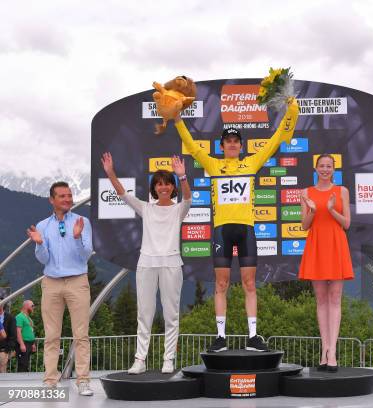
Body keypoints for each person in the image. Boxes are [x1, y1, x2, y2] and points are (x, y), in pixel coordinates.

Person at [168, 97, 299, 352]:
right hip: (222, 231)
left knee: (250, 284)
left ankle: (252, 337)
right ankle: (220, 337)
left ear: (240, 145)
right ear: (222, 145)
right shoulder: (214, 165)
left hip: (247, 229)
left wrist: (291, 109)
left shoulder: (252, 162)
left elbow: (274, 141)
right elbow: (193, 148)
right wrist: (177, 120)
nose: (231, 144)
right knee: (221, 284)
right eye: (227, 141)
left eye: (235, 141)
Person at [101, 153, 191, 374]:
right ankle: (140, 360)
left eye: (167, 184)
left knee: (171, 314)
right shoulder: (145, 208)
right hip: (146, 264)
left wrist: (183, 176)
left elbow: (188, 198)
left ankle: (168, 359)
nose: (163, 187)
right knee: (145, 314)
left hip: (171, 263)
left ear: (172, 187)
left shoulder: (178, 208)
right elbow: (121, 193)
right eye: (159, 184)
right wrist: (110, 173)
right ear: (154, 188)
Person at [26, 181, 94, 395]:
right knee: (51, 335)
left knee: (81, 334)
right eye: (62, 196)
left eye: (69, 195)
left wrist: (76, 238)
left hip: (77, 281)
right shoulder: (43, 225)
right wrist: (38, 243)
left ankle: (83, 380)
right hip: (52, 283)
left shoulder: (83, 222)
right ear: (52, 200)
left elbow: (86, 255)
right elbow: (44, 259)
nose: (67, 199)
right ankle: (50, 381)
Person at [299, 154, 353, 372]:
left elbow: (347, 223)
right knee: (321, 299)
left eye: (328, 166)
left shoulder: (342, 191)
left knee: (335, 298)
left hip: (337, 243)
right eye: (321, 166)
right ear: (315, 168)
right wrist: (312, 210)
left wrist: (331, 209)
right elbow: (304, 225)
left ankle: (332, 352)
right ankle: (324, 349)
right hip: (316, 244)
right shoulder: (305, 193)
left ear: (334, 169)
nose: (324, 169)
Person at [15, 300, 36, 372]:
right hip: (24, 343)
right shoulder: (19, 317)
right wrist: (21, 344)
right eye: (32, 306)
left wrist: (33, 344)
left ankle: (24, 382)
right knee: (22, 365)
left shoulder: (28, 318)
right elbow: (18, 331)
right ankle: (19, 382)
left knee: (26, 364)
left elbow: (31, 331)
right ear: (26, 306)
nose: (34, 307)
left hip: (29, 344)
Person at [0, 301, 17, 373]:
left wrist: (7, 350)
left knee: (2, 371)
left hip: (3, 350)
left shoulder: (10, 318)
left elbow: (13, 335)